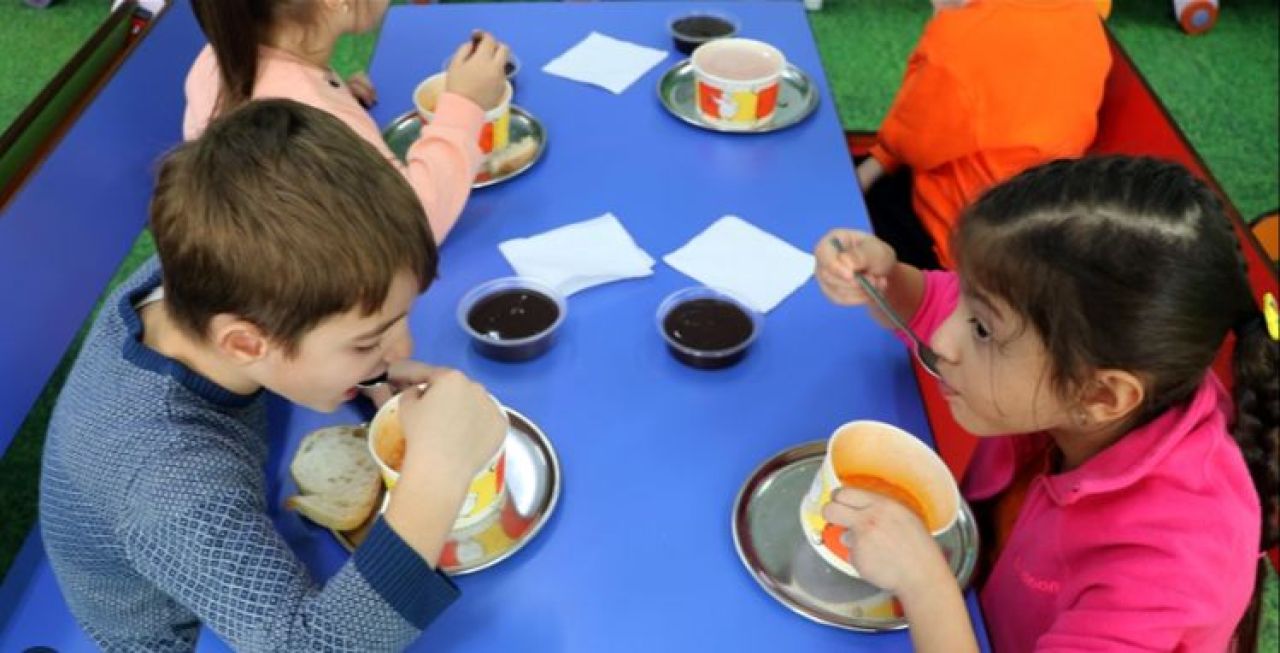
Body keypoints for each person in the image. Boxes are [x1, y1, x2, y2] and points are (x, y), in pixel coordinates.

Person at [40, 100, 507, 651]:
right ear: (243, 342)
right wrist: (438, 474)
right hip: (171, 632)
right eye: (368, 338)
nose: (403, 348)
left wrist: (368, 371)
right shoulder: (169, 486)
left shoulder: (208, 272)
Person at [814, 156, 1277, 651]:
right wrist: (887, 280)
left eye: (982, 329)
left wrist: (925, 583)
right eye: (970, 301)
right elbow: (938, 301)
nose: (944, 339)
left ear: (1101, 395)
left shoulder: (1169, 568)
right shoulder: (1099, 374)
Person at [185, 0, 509, 243]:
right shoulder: (308, 117)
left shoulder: (219, 57)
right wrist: (466, 105)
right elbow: (413, 225)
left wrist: (338, 94)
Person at [859, 0, 1111, 269]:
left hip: (954, 244)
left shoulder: (963, 40)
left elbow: (910, 145)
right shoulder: (1082, 12)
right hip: (1032, 236)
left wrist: (942, 21)